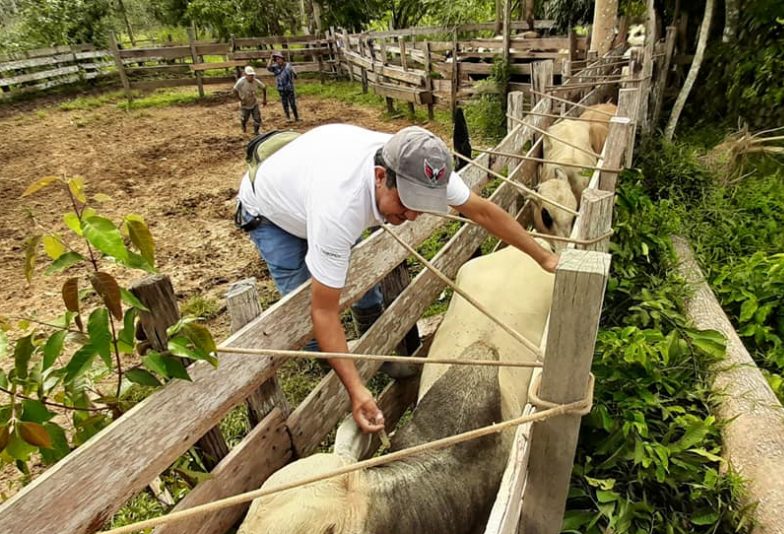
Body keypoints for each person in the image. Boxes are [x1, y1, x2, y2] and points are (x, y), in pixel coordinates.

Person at [235, 124, 558, 434]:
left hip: (314, 181)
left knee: (359, 281)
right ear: (380, 177)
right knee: (303, 299)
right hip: (271, 214)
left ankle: (377, 357)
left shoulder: (423, 167)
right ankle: (329, 376)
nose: (414, 215)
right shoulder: (338, 209)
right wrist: (356, 391)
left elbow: (483, 212)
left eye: (423, 204)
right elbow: (324, 312)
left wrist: (544, 257)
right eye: (407, 203)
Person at [233, 65, 267, 134]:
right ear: (245, 75)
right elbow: (234, 90)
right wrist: (240, 99)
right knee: (245, 118)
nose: (251, 77)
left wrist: (264, 99)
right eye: (249, 75)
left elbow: (263, 88)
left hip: (254, 102)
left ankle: (256, 131)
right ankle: (243, 126)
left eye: (252, 75)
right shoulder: (241, 82)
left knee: (257, 118)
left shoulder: (256, 81)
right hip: (245, 103)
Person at [267, 52, 299, 122]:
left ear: (282, 59)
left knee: (293, 103)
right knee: (285, 104)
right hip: (281, 88)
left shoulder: (288, 66)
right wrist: (271, 59)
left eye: (279, 59)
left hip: (289, 88)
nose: (278, 61)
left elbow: (294, 72)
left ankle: (296, 117)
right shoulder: (275, 67)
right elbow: (268, 68)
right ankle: (288, 117)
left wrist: (295, 74)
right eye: (277, 59)